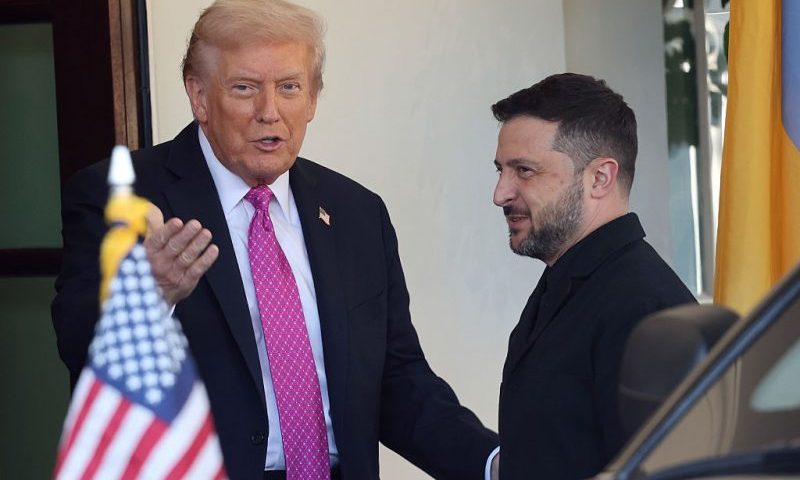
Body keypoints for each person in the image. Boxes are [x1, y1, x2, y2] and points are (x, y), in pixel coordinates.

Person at [51, 1, 498, 479]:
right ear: (199, 97)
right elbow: (77, 349)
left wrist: (493, 463)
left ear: (313, 99)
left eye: (289, 87)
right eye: (244, 88)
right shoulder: (123, 196)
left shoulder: (356, 213)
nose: (270, 112)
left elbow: (395, 379)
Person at [490, 73, 696, 479]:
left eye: (525, 171)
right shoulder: (571, 282)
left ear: (600, 177)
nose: (500, 193)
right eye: (501, 170)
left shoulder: (644, 310)